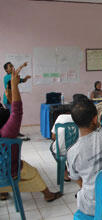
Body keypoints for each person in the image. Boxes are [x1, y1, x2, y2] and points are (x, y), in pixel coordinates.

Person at [67, 55, 102, 216]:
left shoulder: (73, 152)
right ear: (95, 118)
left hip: (92, 209)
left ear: (75, 123)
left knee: (82, 194)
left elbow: (79, 181)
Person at [0, 67, 61, 202]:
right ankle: (48, 194)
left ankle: (2, 192)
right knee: (33, 173)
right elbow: (17, 110)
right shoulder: (8, 131)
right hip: (11, 170)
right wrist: (15, 86)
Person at [49, 94, 88, 181]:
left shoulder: (61, 117)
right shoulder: (86, 119)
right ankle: (74, 168)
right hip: (79, 151)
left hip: (62, 151)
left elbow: (53, 136)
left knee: (53, 148)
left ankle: (65, 173)